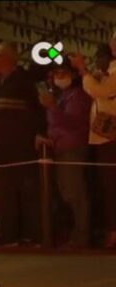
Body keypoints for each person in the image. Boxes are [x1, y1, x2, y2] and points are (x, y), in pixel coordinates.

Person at [0, 42, 45, 245]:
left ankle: (32, 234)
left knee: (27, 191)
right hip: (0, 147)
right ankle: (7, 232)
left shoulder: (25, 81)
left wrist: (40, 132)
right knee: (4, 191)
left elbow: (39, 108)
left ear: (8, 58)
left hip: (23, 146)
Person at [39, 60, 92, 248]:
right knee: (67, 193)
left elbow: (71, 123)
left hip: (73, 148)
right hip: (61, 148)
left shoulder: (78, 96)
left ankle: (82, 237)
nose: (59, 77)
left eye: (63, 73)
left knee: (75, 193)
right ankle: (75, 235)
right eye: (56, 74)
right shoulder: (63, 96)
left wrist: (53, 107)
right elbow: (56, 126)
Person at [72, 33, 116, 247]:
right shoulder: (109, 72)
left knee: (111, 186)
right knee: (107, 187)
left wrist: (83, 70)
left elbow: (101, 91)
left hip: (111, 137)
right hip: (104, 136)